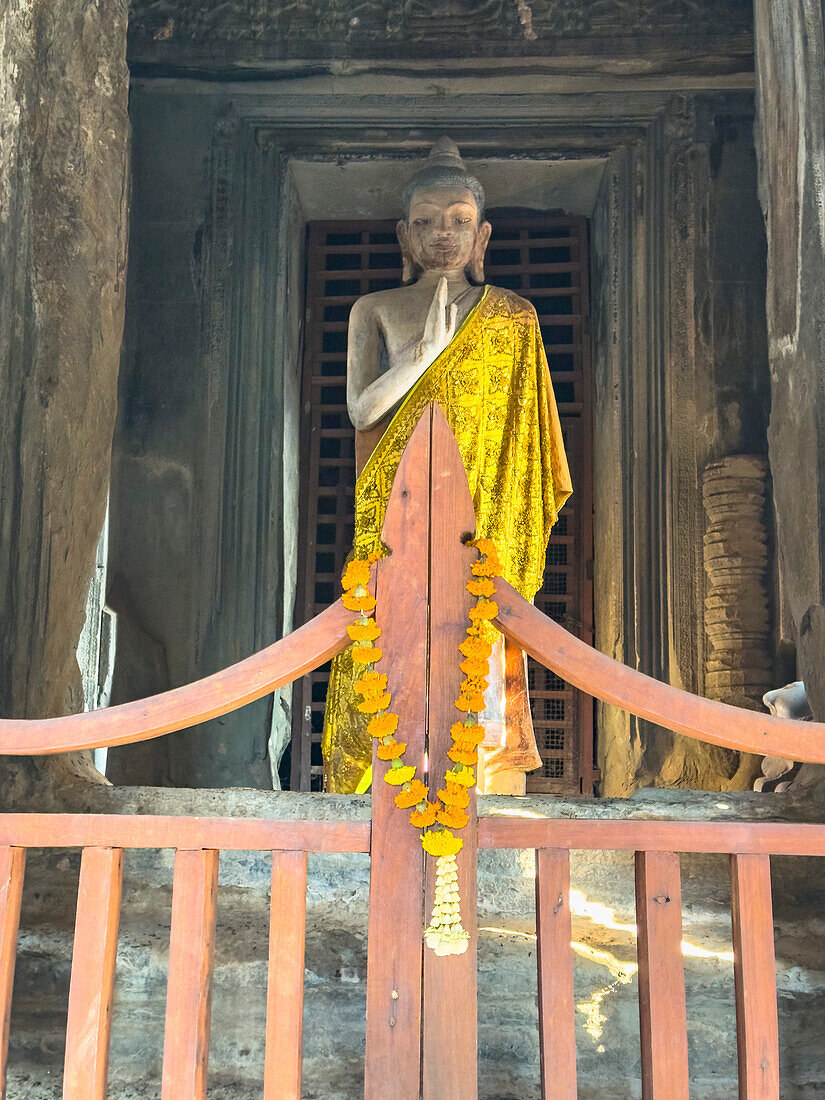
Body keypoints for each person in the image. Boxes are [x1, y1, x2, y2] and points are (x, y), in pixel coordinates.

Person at [322, 137, 572, 795]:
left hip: (481, 510)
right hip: (395, 500)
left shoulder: (515, 317)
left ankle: (484, 771)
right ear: (403, 235)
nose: (443, 234)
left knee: (475, 635)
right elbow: (358, 411)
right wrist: (418, 357)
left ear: (482, 234)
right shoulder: (373, 308)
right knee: (387, 629)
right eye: (427, 222)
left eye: (459, 220)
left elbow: (524, 439)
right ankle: (382, 774)